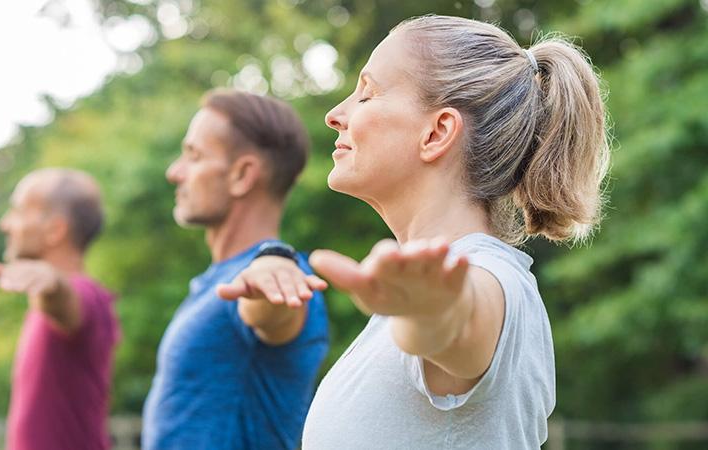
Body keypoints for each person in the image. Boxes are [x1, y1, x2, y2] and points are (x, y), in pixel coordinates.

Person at [233, 14, 610, 449]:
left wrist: (432, 312)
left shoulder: (489, 280)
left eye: (367, 93)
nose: (335, 115)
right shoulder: (423, 295)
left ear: (436, 132)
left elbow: (459, 320)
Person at [141, 89, 329, 450]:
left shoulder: (278, 279)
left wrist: (272, 267)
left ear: (242, 175)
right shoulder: (220, 280)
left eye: (193, 156)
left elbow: (271, 308)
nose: (174, 172)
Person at [0, 168, 121, 450]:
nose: (5, 224)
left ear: (55, 229)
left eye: (18, 211)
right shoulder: (42, 307)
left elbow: (66, 300)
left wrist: (52, 282)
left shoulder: (88, 296)